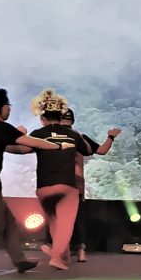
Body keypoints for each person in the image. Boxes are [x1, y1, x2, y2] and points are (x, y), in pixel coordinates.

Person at [0, 88, 68, 277]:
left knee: (8, 222)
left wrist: (0, 146)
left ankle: (20, 260)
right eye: (8, 105)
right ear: (0, 106)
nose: (9, 109)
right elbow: (31, 142)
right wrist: (59, 146)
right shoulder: (0, 126)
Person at [25, 90, 91, 270]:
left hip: (43, 188)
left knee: (54, 222)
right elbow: (87, 150)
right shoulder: (73, 134)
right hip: (66, 186)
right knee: (66, 225)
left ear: (43, 118)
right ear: (61, 116)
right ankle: (56, 256)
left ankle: (63, 257)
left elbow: (23, 148)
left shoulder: (38, 133)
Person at [59, 108, 120, 263]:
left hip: (57, 181)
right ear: (73, 121)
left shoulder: (53, 137)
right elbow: (102, 150)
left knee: (58, 217)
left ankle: (60, 249)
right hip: (77, 183)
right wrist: (111, 136)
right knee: (77, 217)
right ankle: (81, 251)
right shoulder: (80, 137)